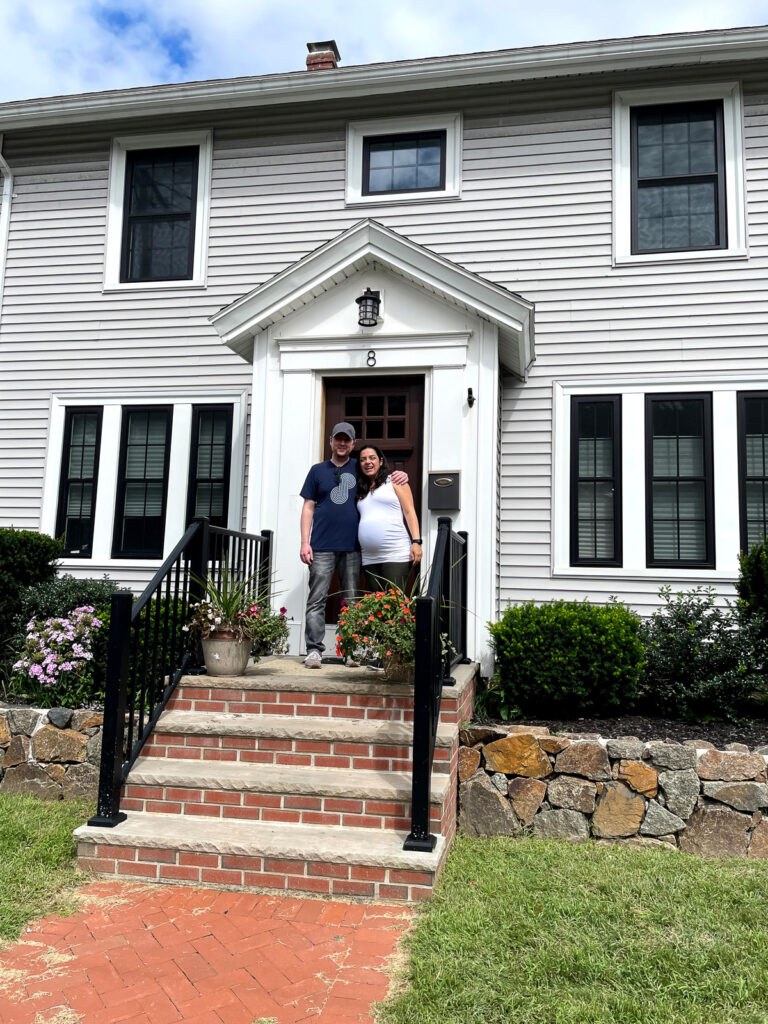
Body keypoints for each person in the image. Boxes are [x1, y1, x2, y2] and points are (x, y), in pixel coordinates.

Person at [299, 423, 407, 668]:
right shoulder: (317, 471)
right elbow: (308, 507)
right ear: (330, 441)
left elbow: (382, 477)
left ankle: (350, 650)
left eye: (346, 440)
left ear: (352, 443)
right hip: (321, 546)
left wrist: (402, 475)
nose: (342, 443)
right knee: (317, 599)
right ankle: (314, 651)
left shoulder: (359, 468)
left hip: (353, 548)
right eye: (338, 439)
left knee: (352, 601)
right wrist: (305, 542)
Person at [356, 445, 422, 592]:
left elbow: (409, 512)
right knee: (377, 607)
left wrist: (416, 542)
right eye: (363, 459)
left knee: (393, 602)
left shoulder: (394, 480)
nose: (368, 462)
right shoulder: (361, 489)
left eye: (372, 458)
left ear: (380, 461)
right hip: (369, 557)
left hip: (395, 553)